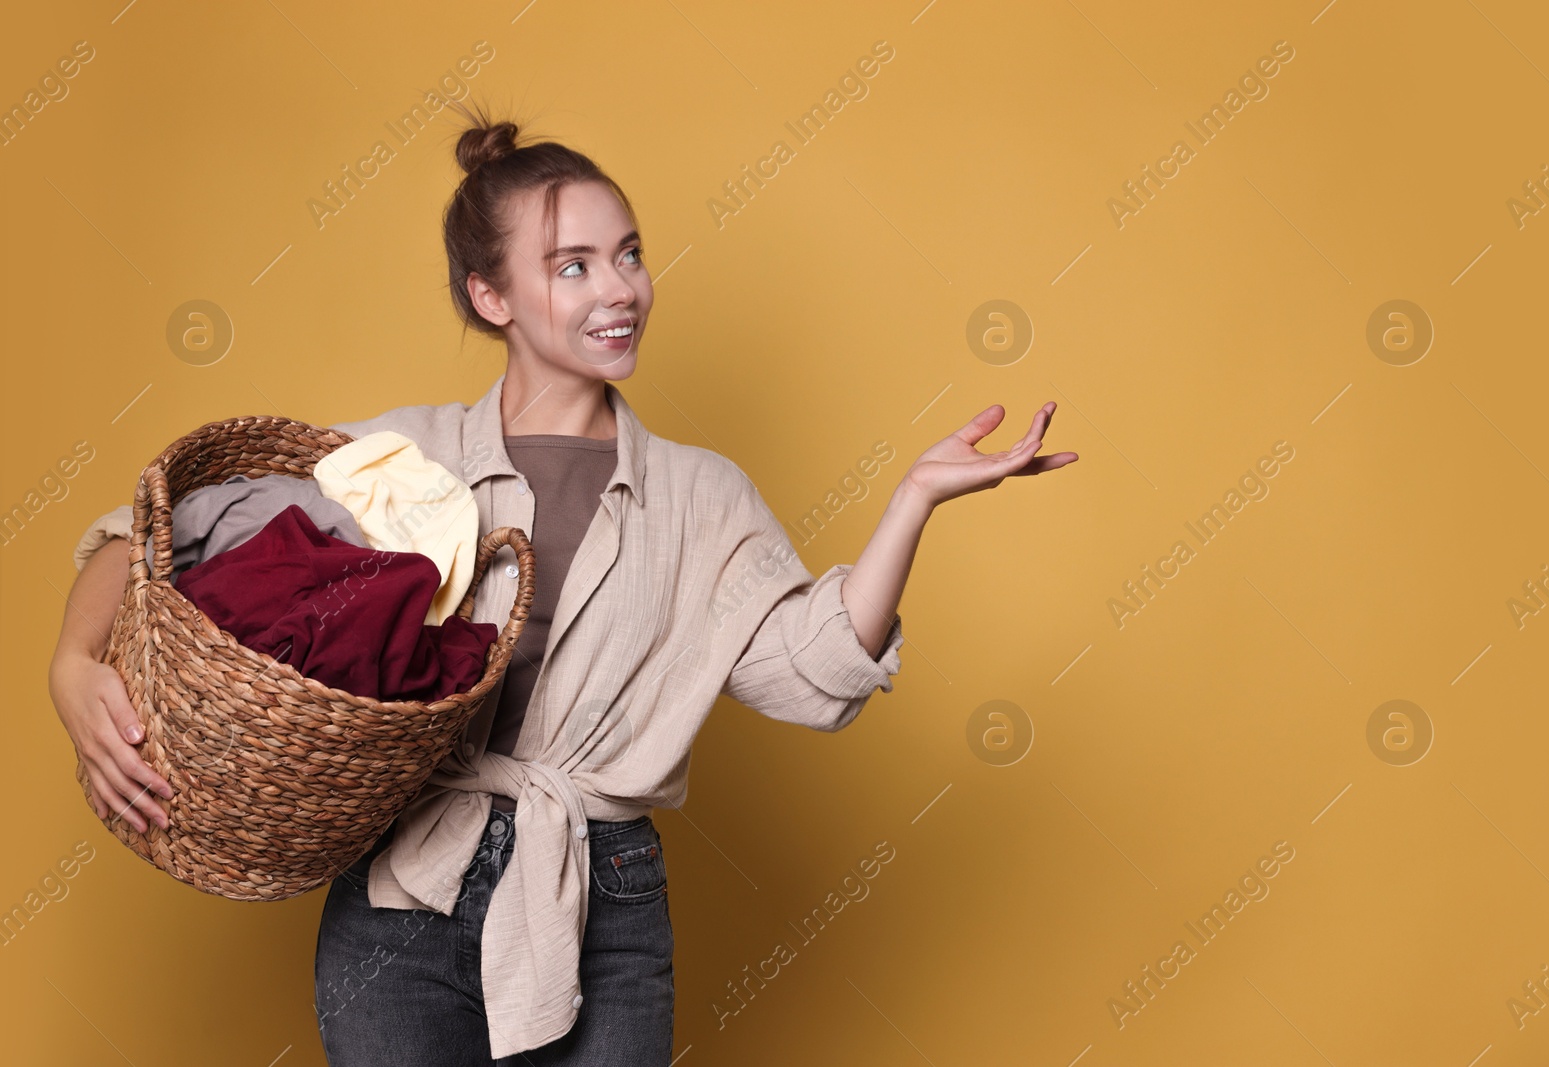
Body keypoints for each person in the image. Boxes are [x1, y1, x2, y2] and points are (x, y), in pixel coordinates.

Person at [46, 100, 1078, 1066]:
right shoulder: (406, 459)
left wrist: (912, 502)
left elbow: (810, 676)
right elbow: (148, 534)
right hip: (404, 891)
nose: (619, 288)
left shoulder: (701, 496)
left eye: (627, 255)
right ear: (490, 296)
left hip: (604, 900)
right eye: (572, 266)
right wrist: (72, 666)